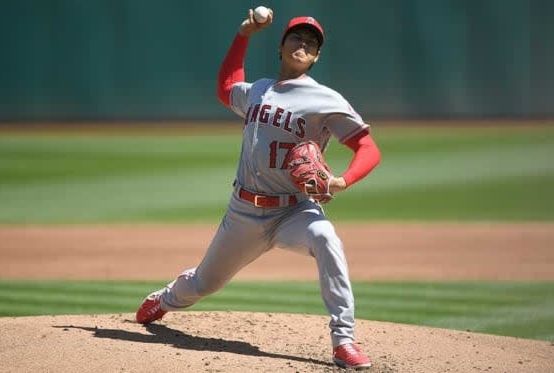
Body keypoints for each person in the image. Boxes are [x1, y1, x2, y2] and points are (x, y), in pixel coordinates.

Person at [136, 8, 381, 370]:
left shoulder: (326, 100)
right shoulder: (259, 90)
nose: (303, 44)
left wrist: (342, 180)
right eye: (297, 37)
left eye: (311, 43)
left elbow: (368, 148)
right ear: (281, 46)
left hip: (294, 210)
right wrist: (244, 34)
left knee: (327, 239)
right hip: (244, 213)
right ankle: (167, 298)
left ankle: (343, 341)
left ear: (316, 57)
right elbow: (225, 88)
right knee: (204, 282)